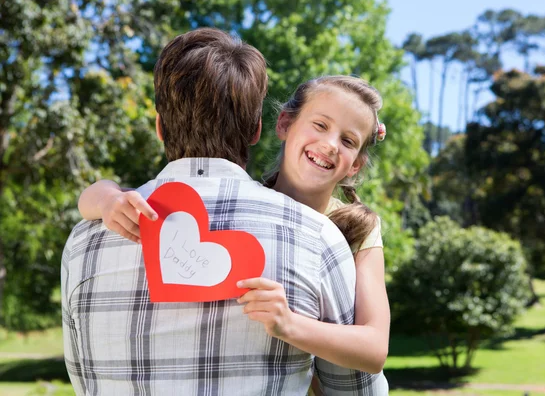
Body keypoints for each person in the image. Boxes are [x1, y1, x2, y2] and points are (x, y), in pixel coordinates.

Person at [62, 27, 388, 395]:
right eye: (320, 125)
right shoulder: (316, 240)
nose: (329, 146)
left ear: (159, 128)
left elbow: (374, 348)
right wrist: (104, 197)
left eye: (347, 141)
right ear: (265, 128)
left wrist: (293, 327)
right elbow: (358, 390)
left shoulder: (85, 239)